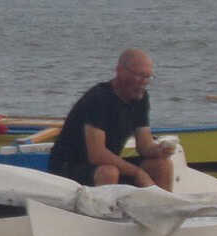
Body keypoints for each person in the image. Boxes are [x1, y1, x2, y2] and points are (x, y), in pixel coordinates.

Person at [47, 47, 176, 190]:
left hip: (105, 166)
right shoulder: (99, 98)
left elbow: (145, 146)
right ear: (120, 71)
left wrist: (160, 150)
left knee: (161, 164)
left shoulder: (140, 98)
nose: (143, 82)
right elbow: (97, 155)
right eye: (139, 76)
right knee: (109, 172)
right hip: (68, 168)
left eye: (148, 77)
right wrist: (138, 173)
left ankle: (162, 208)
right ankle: (101, 211)